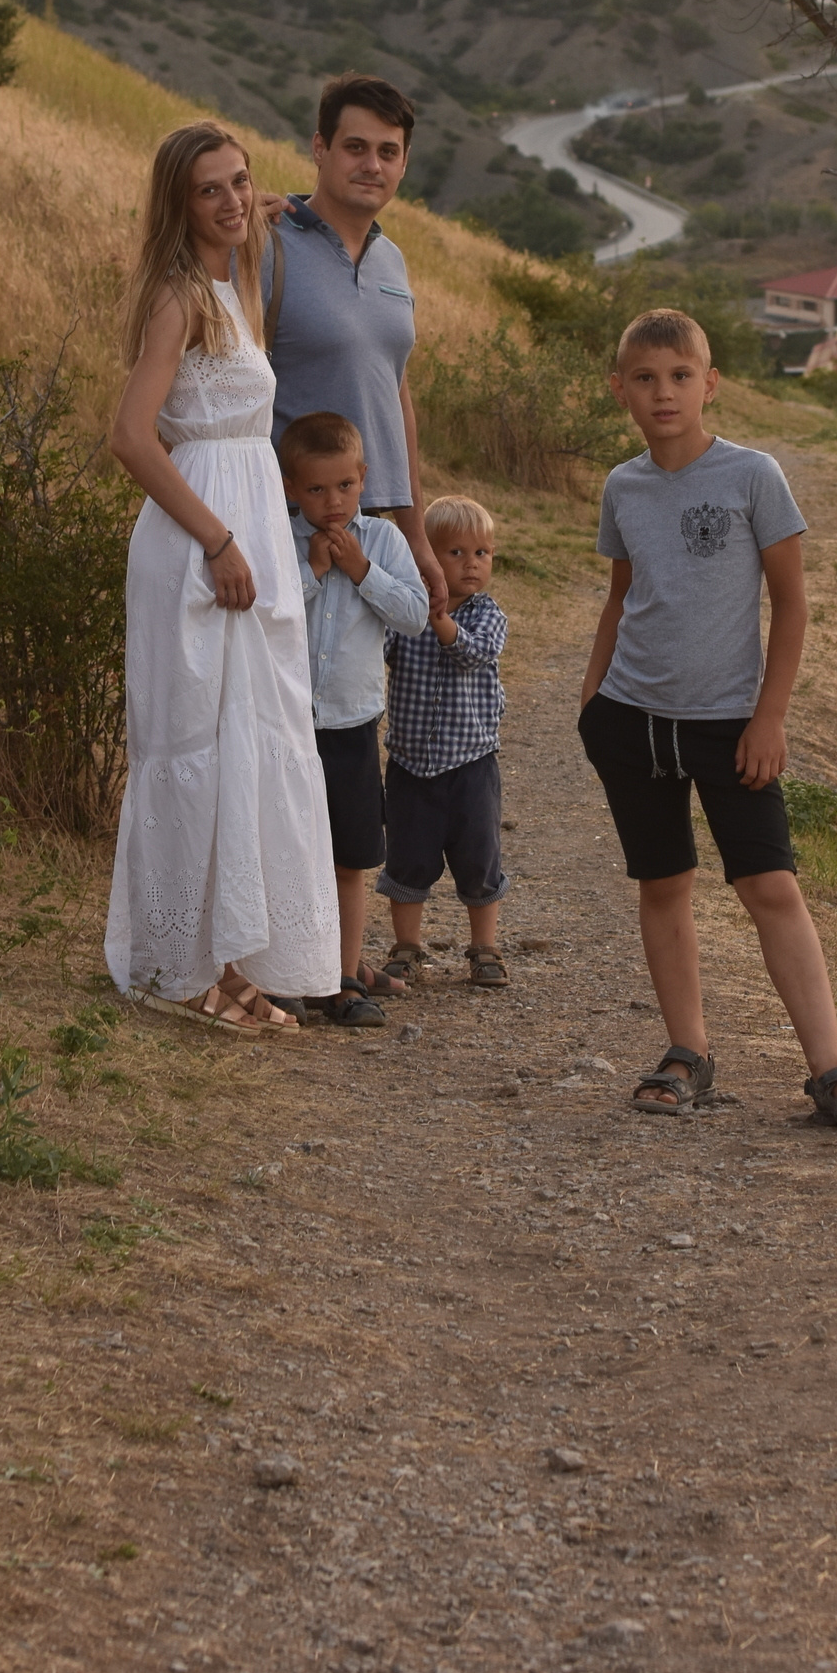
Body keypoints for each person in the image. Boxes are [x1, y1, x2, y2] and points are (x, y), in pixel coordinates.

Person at [577, 309, 837, 1126]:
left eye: (680, 376)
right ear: (620, 391)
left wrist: (769, 718)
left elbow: (790, 605)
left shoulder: (754, 476)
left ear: (710, 383)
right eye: (644, 379)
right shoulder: (624, 486)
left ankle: (830, 1067)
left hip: (730, 725)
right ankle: (689, 1053)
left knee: (769, 885)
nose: (663, 393)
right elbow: (620, 599)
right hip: (633, 720)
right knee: (663, 884)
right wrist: (591, 700)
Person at [104, 122, 341, 1030]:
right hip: (203, 531)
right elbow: (131, 435)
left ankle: (230, 955)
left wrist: (267, 203)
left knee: (252, 738)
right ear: (178, 203)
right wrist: (215, 539)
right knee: (195, 740)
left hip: (250, 533)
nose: (235, 200)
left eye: (241, 183)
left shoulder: (230, 280)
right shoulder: (178, 298)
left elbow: (260, 209)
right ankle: (181, 964)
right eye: (212, 190)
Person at [261, 74, 447, 616]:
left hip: (369, 530)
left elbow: (395, 397)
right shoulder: (266, 244)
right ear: (319, 148)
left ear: (404, 163)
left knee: (353, 696)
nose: (373, 165)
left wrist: (415, 537)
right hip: (288, 528)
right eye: (356, 147)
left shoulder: (392, 260)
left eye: (388, 152)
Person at [278, 410, 429, 1027]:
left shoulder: (385, 541)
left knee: (350, 857)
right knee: (289, 854)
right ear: (290, 488)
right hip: (287, 728)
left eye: (344, 485)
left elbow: (416, 613)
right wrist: (315, 571)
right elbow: (266, 613)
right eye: (315, 489)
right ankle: (287, 974)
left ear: (364, 478)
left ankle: (342, 978)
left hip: (352, 727)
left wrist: (361, 571)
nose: (332, 501)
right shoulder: (280, 539)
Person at [377, 495, 510, 990]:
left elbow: (472, 653)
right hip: (411, 763)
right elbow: (380, 649)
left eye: (483, 553)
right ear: (425, 558)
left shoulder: (487, 614)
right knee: (409, 858)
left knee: (479, 857)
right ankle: (407, 946)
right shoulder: (405, 614)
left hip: (472, 763)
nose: (472, 564)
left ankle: (485, 948)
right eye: (455, 553)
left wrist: (436, 618)